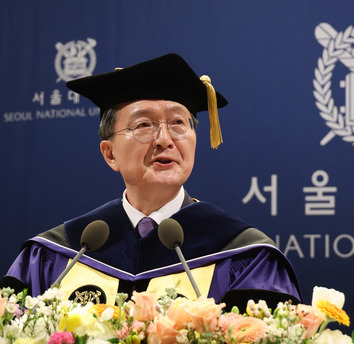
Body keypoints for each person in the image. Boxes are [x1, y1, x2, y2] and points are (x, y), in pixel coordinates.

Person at [2, 53, 301, 307]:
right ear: (110, 154)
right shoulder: (56, 254)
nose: (164, 139)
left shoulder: (246, 257)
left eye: (178, 123)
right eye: (143, 125)